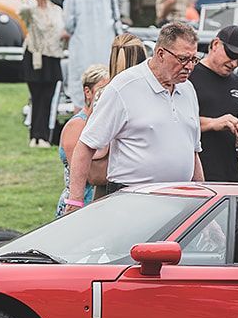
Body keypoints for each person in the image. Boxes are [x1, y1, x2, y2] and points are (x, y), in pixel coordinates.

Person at [66, 21, 203, 205]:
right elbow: (86, 146)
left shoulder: (188, 89)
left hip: (180, 199)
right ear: (161, 53)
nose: (189, 66)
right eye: (183, 59)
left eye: (194, 59)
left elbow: (192, 152)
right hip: (133, 200)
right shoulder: (124, 87)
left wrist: (202, 199)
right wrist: (75, 201)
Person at [190, 25, 238, 182]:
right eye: (231, 54)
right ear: (215, 44)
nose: (234, 63)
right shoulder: (189, 76)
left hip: (230, 177)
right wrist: (213, 123)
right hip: (195, 176)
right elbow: (173, 122)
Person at [19, 0, 66, 148]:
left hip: (53, 56)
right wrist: (30, 0)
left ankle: (44, 136)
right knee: (36, 96)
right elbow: (22, 11)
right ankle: (34, 136)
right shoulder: (30, 9)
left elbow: (62, 29)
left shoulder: (57, 10)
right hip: (35, 55)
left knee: (48, 96)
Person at [63, 0, 123, 83]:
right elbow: (116, 17)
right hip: (107, 46)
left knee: (82, 87)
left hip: (81, 49)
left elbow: (69, 26)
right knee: (108, 84)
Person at [57, 65, 109, 217]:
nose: (106, 95)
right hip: (79, 205)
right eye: (102, 89)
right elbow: (89, 175)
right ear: (87, 92)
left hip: (99, 204)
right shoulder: (77, 125)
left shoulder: (103, 122)